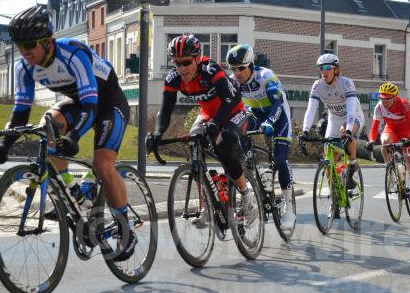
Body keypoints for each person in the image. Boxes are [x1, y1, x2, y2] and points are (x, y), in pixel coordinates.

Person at [0, 5, 136, 260]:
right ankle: (74, 195)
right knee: (48, 127)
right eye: (20, 46)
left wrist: (74, 136)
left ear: (47, 41)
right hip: (79, 102)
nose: (25, 52)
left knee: (102, 163)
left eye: (30, 45)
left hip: (107, 102)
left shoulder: (73, 53)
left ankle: (126, 229)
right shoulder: (24, 67)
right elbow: (20, 112)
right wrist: (4, 143)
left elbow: (91, 106)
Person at [147, 35, 255, 221]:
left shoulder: (211, 69)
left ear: (197, 58)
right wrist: (158, 133)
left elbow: (229, 101)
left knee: (224, 144)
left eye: (186, 63)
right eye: (177, 63)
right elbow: (164, 112)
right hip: (207, 113)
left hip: (233, 110)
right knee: (194, 143)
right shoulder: (174, 79)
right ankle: (209, 200)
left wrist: (215, 124)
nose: (182, 68)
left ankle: (246, 194)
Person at [226, 43, 295, 229]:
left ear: (250, 65)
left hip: (278, 115)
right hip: (255, 114)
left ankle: (289, 209)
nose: (237, 73)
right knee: (239, 142)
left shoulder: (266, 76)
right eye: (233, 69)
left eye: (241, 68)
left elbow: (277, 104)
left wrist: (270, 122)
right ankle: (251, 180)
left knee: (280, 159)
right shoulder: (233, 81)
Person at [300, 53, 364, 193]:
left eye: (328, 67)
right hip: (334, 119)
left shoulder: (346, 83)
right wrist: (304, 131)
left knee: (345, 131)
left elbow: (352, 108)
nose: (324, 71)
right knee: (329, 160)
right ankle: (334, 199)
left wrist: (348, 129)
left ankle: (352, 165)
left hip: (352, 116)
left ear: (336, 69)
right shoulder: (317, 86)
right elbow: (311, 109)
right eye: (321, 68)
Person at [366, 82, 410, 211]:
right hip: (391, 130)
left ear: (395, 97)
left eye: (388, 99)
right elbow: (374, 127)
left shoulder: (403, 104)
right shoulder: (379, 107)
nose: (385, 101)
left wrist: (409, 137)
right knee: (385, 142)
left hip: (406, 132)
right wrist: (371, 140)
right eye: (382, 98)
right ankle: (390, 169)